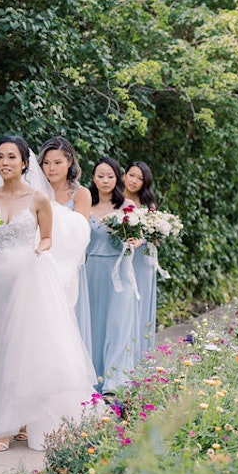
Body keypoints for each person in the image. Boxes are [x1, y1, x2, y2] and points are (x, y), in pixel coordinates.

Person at [0, 136, 96, 452]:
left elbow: (48, 237)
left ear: (25, 162)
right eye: (0, 156)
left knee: (19, 345)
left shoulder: (37, 198)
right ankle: (9, 414)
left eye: (12, 156)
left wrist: (40, 248)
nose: (5, 162)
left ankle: (8, 427)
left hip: (26, 277)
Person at [85, 156, 138, 395]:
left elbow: (141, 233)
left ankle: (114, 381)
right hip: (92, 270)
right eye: (100, 176)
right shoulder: (85, 205)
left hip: (120, 271)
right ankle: (93, 377)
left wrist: (135, 242)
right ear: (93, 178)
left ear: (117, 178)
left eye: (110, 176)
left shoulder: (126, 205)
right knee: (95, 324)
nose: (105, 180)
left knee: (118, 324)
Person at [38, 136, 93, 350]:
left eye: (57, 162)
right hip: (40, 263)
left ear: (69, 162)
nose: (51, 168)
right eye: (47, 163)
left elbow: (81, 233)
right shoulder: (37, 193)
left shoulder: (80, 194)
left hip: (67, 267)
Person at [124, 161, 160, 357]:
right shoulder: (115, 199)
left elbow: (153, 235)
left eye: (140, 178)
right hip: (122, 256)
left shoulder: (148, 205)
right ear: (124, 175)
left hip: (142, 260)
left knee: (141, 301)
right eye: (132, 175)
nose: (134, 181)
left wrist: (148, 237)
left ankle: (140, 353)